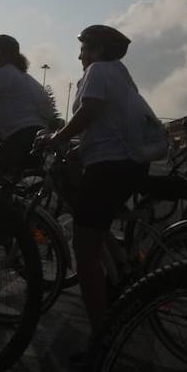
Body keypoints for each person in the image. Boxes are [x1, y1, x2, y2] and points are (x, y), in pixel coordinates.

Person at [44, 24, 151, 353]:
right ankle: (122, 267)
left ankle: (101, 339)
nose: (79, 55)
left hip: (108, 168)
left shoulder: (97, 71)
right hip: (128, 163)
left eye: (83, 48)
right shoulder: (120, 73)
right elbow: (108, 124)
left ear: (98, 50)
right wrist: (77, 151)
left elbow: (89, 113)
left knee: (85, 252)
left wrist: (56, 139)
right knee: (97, 225)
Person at [0, 34, 50, 195]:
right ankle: (2, 210)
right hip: (33, 134)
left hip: (21, 136)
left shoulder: (4, 73)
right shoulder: (21, 76)